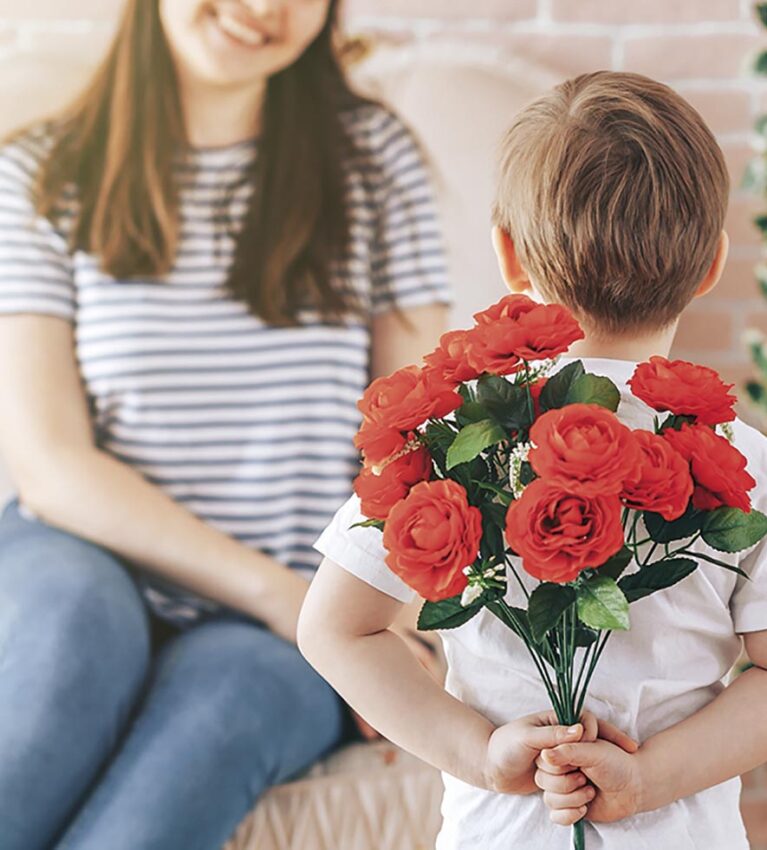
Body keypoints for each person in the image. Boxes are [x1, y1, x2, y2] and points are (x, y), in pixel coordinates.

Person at [0, 2, 450, 849]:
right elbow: (50, 466)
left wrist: (372, 622)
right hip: (88, 560)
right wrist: (284, 598)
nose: (263, 8)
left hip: (280, 618)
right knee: (71, 637)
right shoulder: (40, 174)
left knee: (225, 717)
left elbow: (419, 439)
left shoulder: (370, 163)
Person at [298, 71, 767, 849]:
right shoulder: (742, 464)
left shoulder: (448, 442)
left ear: (508, 258)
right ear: (712, 265)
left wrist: (481, 755)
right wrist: (650, 779)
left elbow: (334, 632)